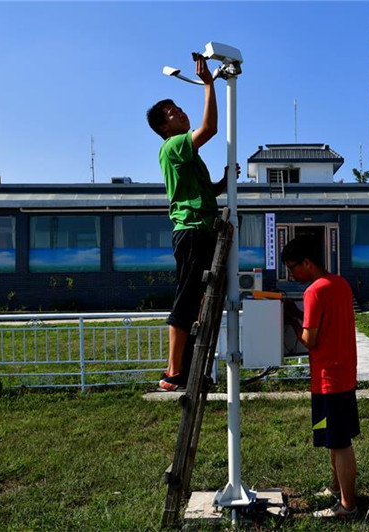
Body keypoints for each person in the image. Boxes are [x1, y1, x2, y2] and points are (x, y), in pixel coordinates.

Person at [146, 56, 231, 391]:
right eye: (172, 113)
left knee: (201, 301)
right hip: (192, 231)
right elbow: (209, 129)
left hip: (203, 229)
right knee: (186, 298)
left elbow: (204, 191)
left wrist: (224, 183)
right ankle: (173, 372)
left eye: (179, 107)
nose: (179, 112)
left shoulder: (187, 155)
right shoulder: (173, 147)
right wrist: (210, 84)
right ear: (163, 128)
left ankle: (195, 368)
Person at [281, 237, 360, 519]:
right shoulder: (340, 284)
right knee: (333, 438)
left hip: (328, 378)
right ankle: (335, 487)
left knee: (339, 442)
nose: (291, 275)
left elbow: (309, 340)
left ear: (307, 263)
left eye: (292, 268)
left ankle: (347, 506)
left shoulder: (313, 292)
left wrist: (291, 318)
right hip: (344, 373)